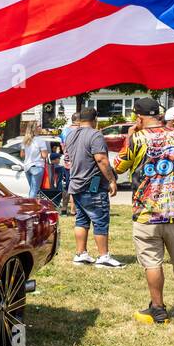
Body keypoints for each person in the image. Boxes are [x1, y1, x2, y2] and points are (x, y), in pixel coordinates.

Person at [113, 97, 174, 323]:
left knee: (152, 262)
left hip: (146, 214)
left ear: (139, 117)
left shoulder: (136, 139)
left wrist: (129, 136)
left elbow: (118, 166)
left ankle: (158, 309)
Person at [64, 109, 121, 268]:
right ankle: (103, 256)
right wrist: (111, 180)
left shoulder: (71, 135)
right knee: (100, 220)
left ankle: (81, 253)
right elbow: (101, 159)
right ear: (95, 119)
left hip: (76, 183)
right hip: (93, 184)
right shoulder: (95, 135)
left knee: (81, 220)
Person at [20, 120, 49, 197]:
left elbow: (22, 155)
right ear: (34, 128)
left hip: (27, 167)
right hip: (37, 166)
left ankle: (32, 205)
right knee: (34, 190)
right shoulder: (40, 140)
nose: (40, 128)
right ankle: (31, 207)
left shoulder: (25, 140)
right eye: (39, 126)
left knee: (32, 189)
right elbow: (44, 155)